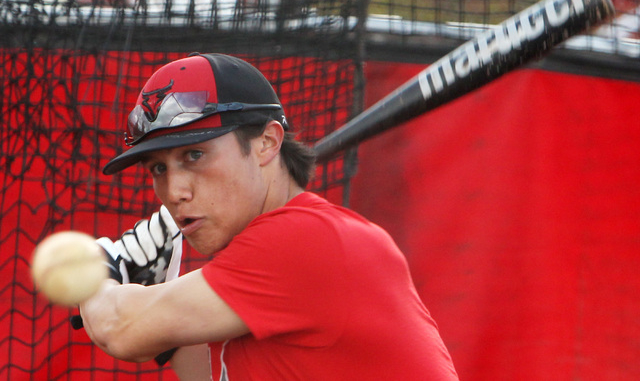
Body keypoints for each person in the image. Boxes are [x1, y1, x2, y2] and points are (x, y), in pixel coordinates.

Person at [80, 53, 459, 380]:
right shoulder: (268, 272)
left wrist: (98, 275)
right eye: (158, 169)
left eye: (194, 156)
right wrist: (160, 307)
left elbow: (119, 328)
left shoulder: (305, 239)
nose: (175, 191)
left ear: (267, 143)